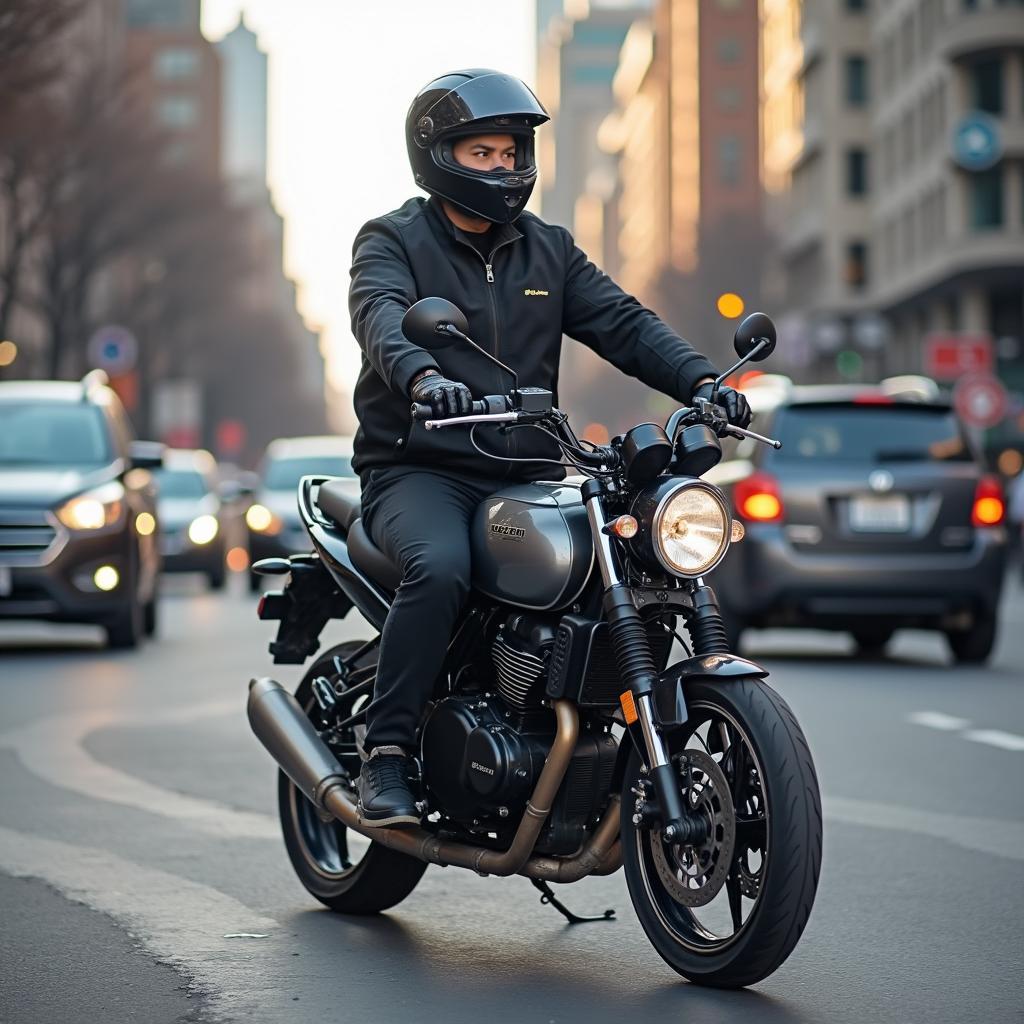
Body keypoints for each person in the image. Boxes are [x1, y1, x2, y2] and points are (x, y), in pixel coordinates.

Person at [348, 69, 751, 827]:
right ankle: (388, 752)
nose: (503, 167)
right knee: (441, 570)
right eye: (482, 153)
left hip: (528, 472)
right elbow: (382, 318)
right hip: (419, 468)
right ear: (438, 155)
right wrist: (425, 377)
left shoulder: (549, 251)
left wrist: (701, 380)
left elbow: (624, 325)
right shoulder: (392, 239)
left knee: (622, 567)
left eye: (511, 151)